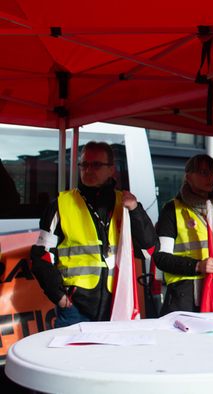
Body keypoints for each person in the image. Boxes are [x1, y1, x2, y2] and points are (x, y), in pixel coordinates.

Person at [30, 141, 159, 328]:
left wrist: (135, 209)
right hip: (75, 308)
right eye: (84, 165)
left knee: (112, 358)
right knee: (71, 358)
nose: (88, 170)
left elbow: (149, 250)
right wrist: (60, 298)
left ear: (111, 170)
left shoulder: (124, 204)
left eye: (96, 165)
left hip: (118, 302)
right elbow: (41, 255)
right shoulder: (60, 204)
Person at [153, 154, 213, 315]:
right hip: (183, 297)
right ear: (188, 177)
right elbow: (161, 258)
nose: (210, 177)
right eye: (204, 172)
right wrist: (197, 266)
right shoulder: (172, 209)